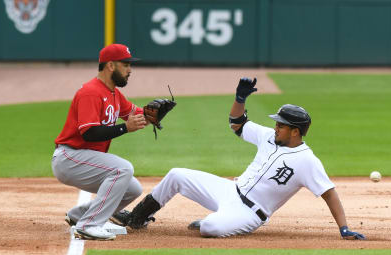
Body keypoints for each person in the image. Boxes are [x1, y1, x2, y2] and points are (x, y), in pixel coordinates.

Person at [112, 78, 365, 240]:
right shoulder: (268, 136)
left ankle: (219, 220)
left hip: (250, 213)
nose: (275, 127)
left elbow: (329, 193)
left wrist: (343, 228)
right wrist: (240, 99)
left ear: (296, 131)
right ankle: (137, 218)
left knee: (210, 228)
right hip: (229, 190)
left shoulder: (307, 161)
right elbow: (237, 124)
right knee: (177, 174)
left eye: (281, 125)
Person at [52, 44, 149, 241]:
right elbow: (89, 133)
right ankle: (89, 225)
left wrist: (153, 114)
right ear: (111, 66)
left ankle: (79, 216)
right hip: (70, 157)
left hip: (84, 158)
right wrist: (124, 128)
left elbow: (135, 113)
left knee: (133, 189)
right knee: (123, 169)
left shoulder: (114, 93)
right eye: (126, 64)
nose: (130, 70)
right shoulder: (91, 92)